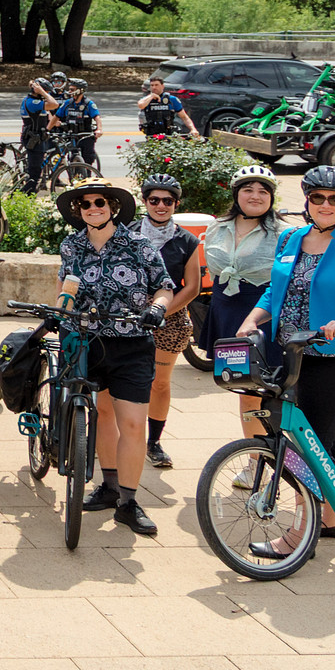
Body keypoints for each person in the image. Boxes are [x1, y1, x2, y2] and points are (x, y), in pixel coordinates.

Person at [232, 165, 335, 557]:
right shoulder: (291, 237)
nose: (326, 205)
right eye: (318, 197)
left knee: (310, 446)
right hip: (291, 354)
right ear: (307, 201)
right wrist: (251, 321)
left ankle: (299, 533)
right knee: (313, 439)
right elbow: (276, 290)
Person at [54, 179, 175, 536]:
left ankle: (129, 501)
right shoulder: (71, 246)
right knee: (102, 415)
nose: (93, 208)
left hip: (132, 343)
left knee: (133, 423)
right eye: (86, 204)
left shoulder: (139, 244)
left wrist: (157, 308)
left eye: (100, 202)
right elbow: (66, 289)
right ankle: (108, 487)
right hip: (87, 341)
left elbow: (164, 286)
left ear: (113, 207)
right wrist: (61, 311)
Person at [204, 166, 286, 444]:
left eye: (263, 191)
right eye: (248, 190)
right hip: (228, 313)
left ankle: (278, 456)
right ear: (236, 193)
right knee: (246, 391)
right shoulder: (216, 227)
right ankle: (254, 458)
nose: (256, 196)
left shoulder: (285, 234)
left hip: (265, 316)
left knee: (273, 392)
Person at [135, 174, 205, 471]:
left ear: (176, 203)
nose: (160, 206)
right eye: (154, 200)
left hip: (170, 318)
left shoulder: (186, 240)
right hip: (128, 316)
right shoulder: (126, 233)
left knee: (159, 384)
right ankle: (118, 436)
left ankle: (153, 442)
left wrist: (161, 311)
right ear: (145, 201)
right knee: (118, 382)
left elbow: (192, 286)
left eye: (167, 201)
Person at [19, 79, 61, 189]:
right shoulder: (33, 102)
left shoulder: (33, 101)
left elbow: (48, 114)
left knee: (36, 168)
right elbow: (54, 104)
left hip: (38, 138)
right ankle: (26, 195)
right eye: (45, 91)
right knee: (35, 172)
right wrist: (42, 92)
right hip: (34, 139)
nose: (47, 93)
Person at [136, 74, 200, 139]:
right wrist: (151, 96)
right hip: (152, 134)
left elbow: (184, 117)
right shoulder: (147, 99)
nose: (154, 87)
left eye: (156, 85)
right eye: (152, 85)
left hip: (169, 134)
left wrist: (193, 129)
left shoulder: (172, 99)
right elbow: (141, 105)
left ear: (162, 86)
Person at [57, 80, 101, 172]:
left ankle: (87, 179)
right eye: (69, 89)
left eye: (72, 89)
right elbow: (56, 116)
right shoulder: (67, 103)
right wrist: (48, 128)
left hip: (85, 136)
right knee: (72, 159)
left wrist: (99, 129)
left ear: (81, 90)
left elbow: (97, 117)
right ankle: (74, 179)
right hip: (72, 136)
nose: (69, 92)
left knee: (88, 159)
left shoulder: (89, 104)